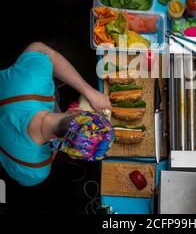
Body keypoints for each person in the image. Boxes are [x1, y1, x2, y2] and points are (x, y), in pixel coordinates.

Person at [0, 42, 112, 187]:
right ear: (70, 153)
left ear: (75, 110)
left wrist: (89, 92)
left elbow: (39, 48)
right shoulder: (35, 171)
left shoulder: (35, 80)